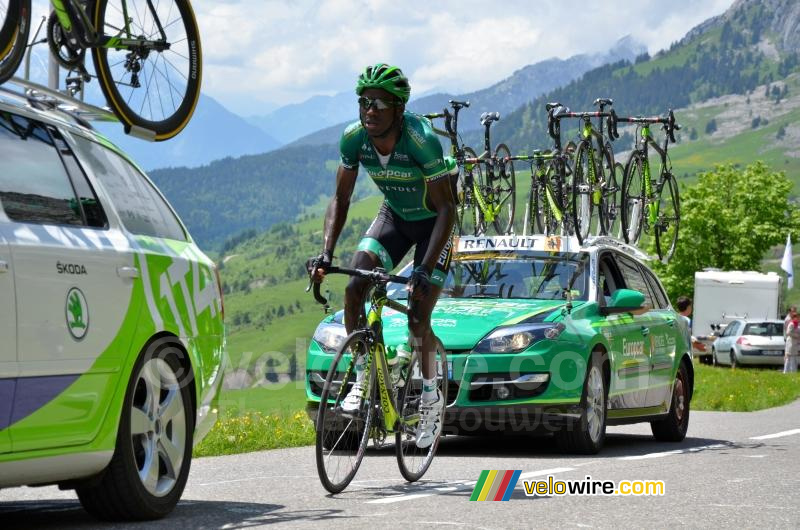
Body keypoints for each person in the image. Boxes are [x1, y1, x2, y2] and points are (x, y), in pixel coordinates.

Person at [307, 63, 456, 448]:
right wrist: (326, 254)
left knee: (418, 318)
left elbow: (447, 209)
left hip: (434, 225)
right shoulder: (353, 139)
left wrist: (424, 268)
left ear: (399, 109)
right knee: (354, 288)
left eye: (379, 103)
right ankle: (362, 376)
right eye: (364, 102)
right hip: (394, 218)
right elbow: (341, 199)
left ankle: (430, 397)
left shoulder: (420, 140)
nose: (369, 110)